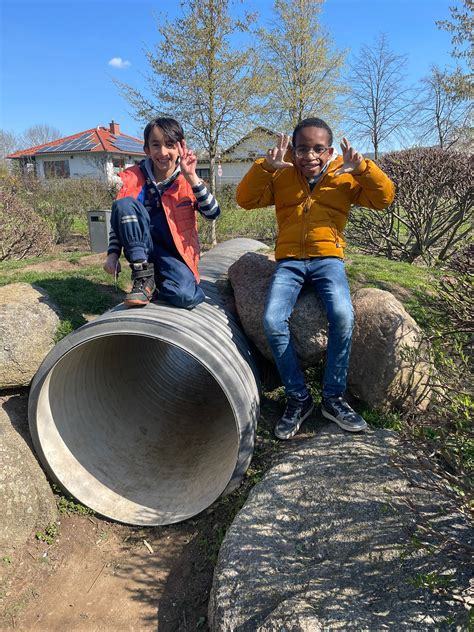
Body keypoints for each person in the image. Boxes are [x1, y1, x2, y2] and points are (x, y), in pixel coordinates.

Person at [236, 117, 395, 440]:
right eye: (303, 148)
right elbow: (245, 199)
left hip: (328, 260)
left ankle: (333, 399)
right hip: (290, 262)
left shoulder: (344, 175)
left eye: (318, 149)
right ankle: (298, 397)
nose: (310, 156)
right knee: (272, 320)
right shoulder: (281, 174)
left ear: (330, 150)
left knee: (342, 315)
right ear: (293, 151)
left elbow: (384, 198)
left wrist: (363, 168)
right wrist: (265, 167)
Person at [103, 117, 220, 308]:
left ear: (180, 148)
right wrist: (112, 255)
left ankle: (158, 283)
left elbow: (213, 213)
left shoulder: (187, 181)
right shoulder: (134, 179)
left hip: (174, 254)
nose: (163, 152)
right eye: (156, 145)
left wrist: (192, 177)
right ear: (147, 149)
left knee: (185, 297)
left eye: (170, 145)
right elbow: (122, 220)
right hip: (142, 251)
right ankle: (143, 275)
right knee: (124, 205)